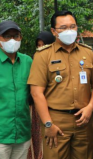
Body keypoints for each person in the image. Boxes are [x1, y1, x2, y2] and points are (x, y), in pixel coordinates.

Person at [27, 10, 93, 159]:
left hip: (83, 121)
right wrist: (48, 124)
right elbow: (36, 92)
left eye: (73, 26)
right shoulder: (43, 55)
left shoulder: (88, 53)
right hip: (56, 121)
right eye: (63, 28)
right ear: (53, 31)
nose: (69, 31)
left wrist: (91, 106)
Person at [0, 21, 32, 159]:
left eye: (16, 36)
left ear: (21, 38)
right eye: (7, 36)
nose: (12, 40)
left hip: (22, 133)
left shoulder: (27, 61)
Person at [28, 31, 56, 159]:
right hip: (35, 109)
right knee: (35, 141)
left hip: (52, 109)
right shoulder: (34, 61)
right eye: (38, 45)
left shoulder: (57, 62)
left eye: (44, 45)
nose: (41, 48)